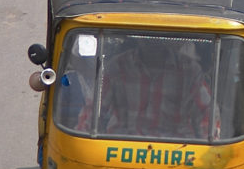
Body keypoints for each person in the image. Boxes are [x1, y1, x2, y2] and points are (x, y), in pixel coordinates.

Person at [76, 37, 215, 139]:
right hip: (122, 147)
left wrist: (209, 152)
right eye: (147, 38)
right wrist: (81, 143)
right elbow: (94, 110)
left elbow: (207, 112)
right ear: (138, 39)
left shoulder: (189, 70)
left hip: (178, 151)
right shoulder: (117, 67)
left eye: (156, 38)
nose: (151, 43)